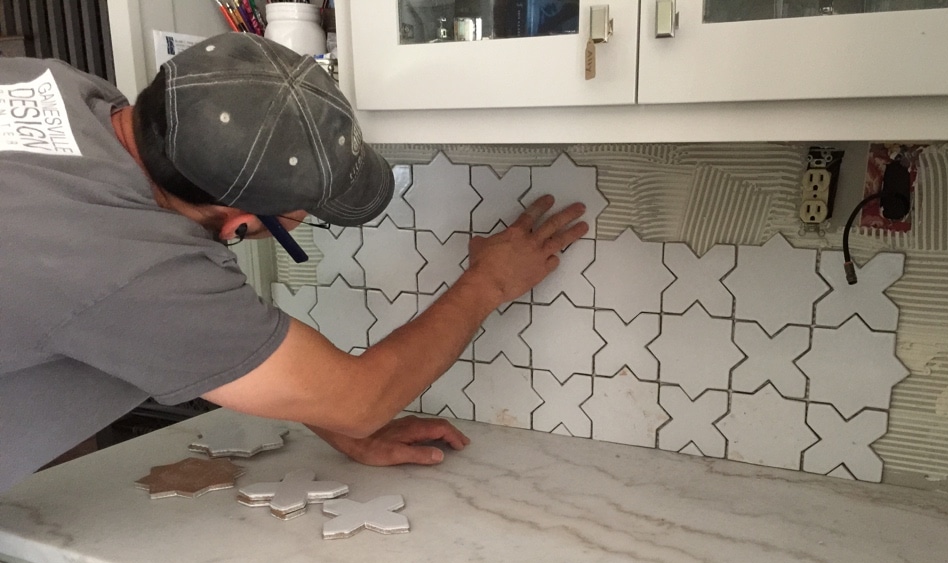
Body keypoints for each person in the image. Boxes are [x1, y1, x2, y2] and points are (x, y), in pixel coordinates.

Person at [0, 32, 588, 493]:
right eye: (300, 215)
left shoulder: (54, 87)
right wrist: (490, 282)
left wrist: (332, 421)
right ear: (239, 224)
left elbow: (207, 340)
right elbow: (361, 400)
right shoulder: (131, 261)